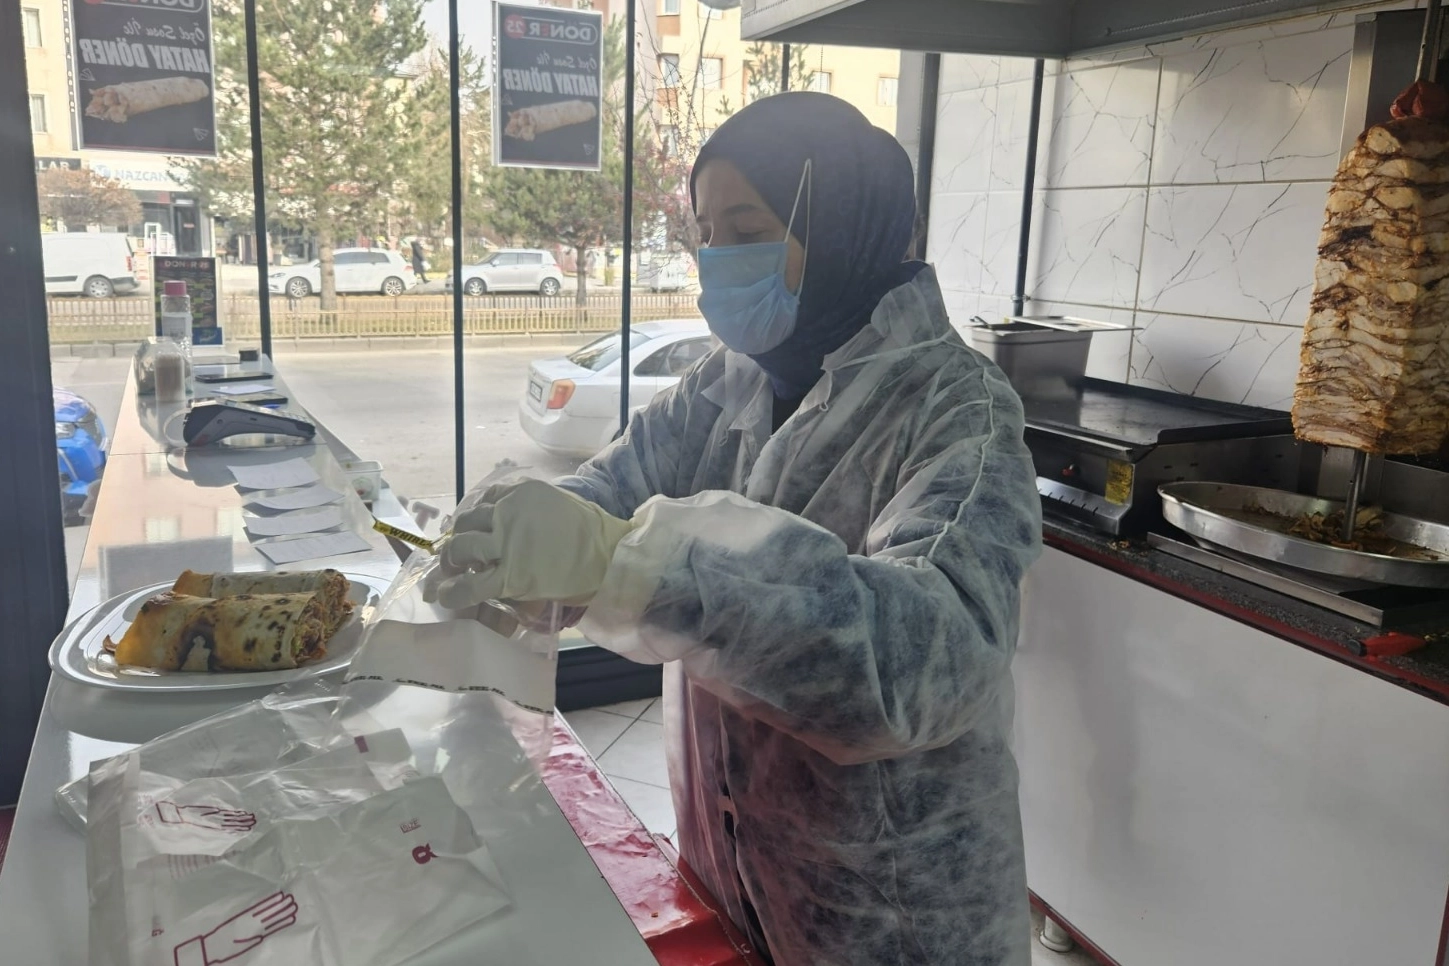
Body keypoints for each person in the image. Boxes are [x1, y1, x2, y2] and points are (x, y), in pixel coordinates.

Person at [425, 92, 1042, 965]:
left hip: (890, 900)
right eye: (705, 233)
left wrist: (631, 567)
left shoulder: (957, 408)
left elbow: (927, 666)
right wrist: (522, 542)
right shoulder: (732, 379)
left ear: (843, 227)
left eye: (746, 228)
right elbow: (613, 487)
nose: (717, 260)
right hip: (731, 852)